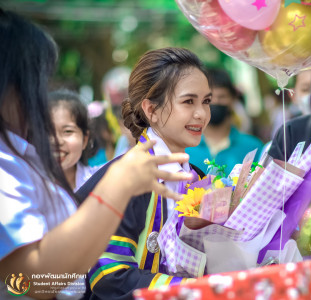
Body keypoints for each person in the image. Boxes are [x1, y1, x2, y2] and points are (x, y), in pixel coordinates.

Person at [0, 10, 192, 300]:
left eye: (206, 101)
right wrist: (115, 188)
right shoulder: (6, 165)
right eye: (36, 82)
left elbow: (76, 273)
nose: (40, 97)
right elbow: (34, 282)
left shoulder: (21, 157)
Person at [75, 47, 212, 299]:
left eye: (206, 101)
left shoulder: (198, 176)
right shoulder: (125, 177)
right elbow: (108, 273)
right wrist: (189, 289)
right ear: (151, 110)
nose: (201, 114)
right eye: (188, 101)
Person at [186, 68, 263, 175]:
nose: (216, 102)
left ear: (233, 99)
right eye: (209, 98)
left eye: (222, 97)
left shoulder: (253, 147)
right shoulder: (185, 148)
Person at [49, 89, 99, 191]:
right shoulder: (25, 185)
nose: (57, 141)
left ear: (85, 140)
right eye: (48, 131)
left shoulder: (100, 182)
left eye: (67, 131)